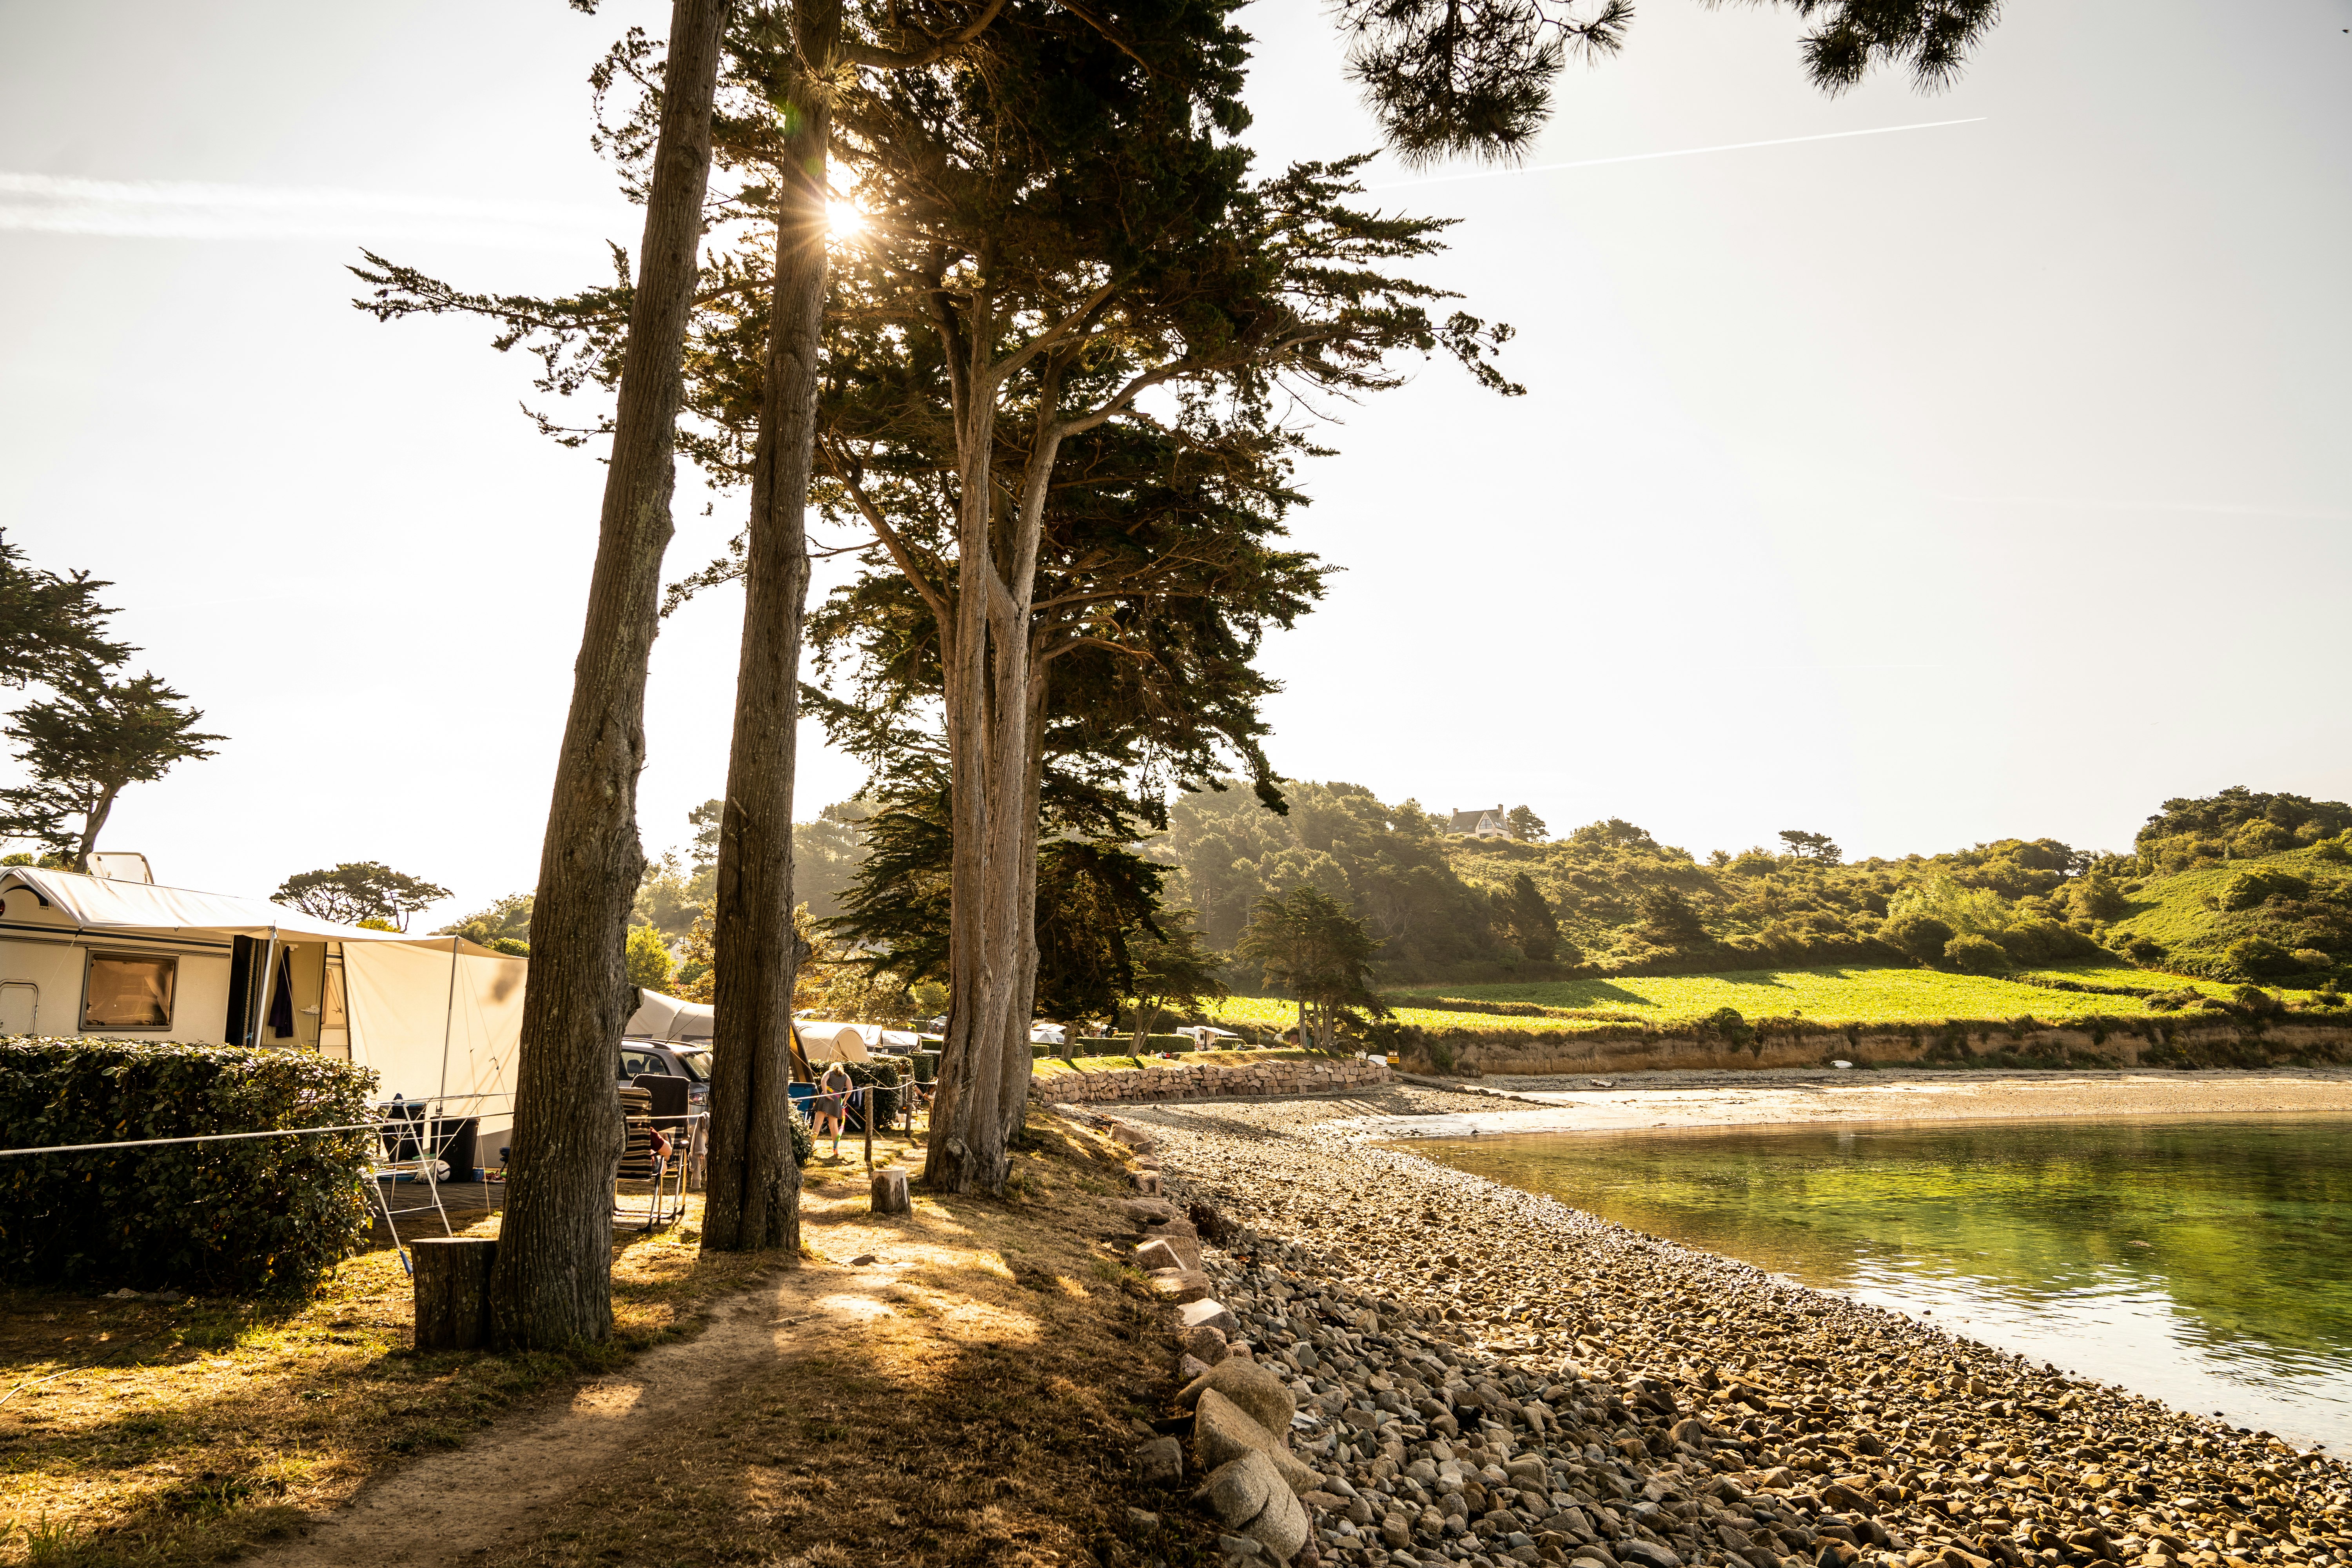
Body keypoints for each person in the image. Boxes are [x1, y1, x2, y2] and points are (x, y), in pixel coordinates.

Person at [817, 1060, 854, 1155]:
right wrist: (845, 1100)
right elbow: (850, 1089)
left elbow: (824, 1081)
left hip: (825, 1098)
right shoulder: (846, 1076)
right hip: (836, 1100)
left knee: (817, 1124)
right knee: (834, 1127)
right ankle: (836, 1151)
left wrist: (825, 1093)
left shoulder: (829, 1073)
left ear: (832, 1068)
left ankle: (810, 1146)